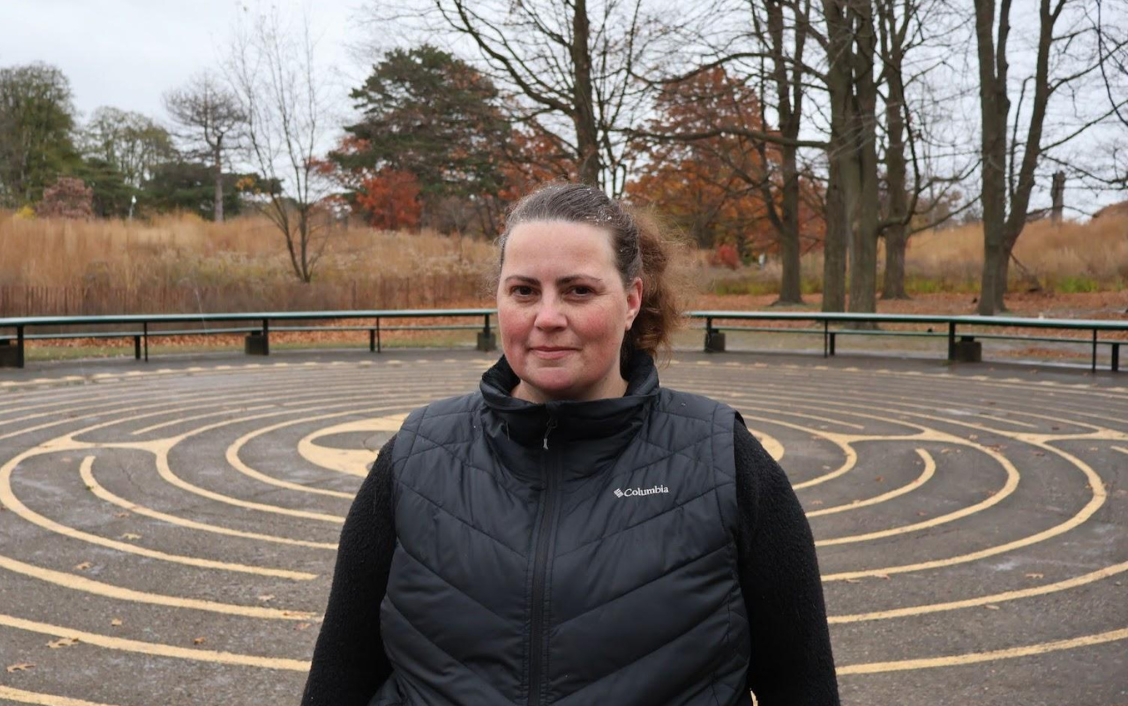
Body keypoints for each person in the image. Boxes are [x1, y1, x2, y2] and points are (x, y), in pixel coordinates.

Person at [301, 183, 839, 706]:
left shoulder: (726, 460)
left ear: (631, 301)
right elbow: (340, 675)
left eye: (578, 290)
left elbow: (802, 686)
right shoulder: (413, 458)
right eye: (524, 291)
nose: (548, 318)